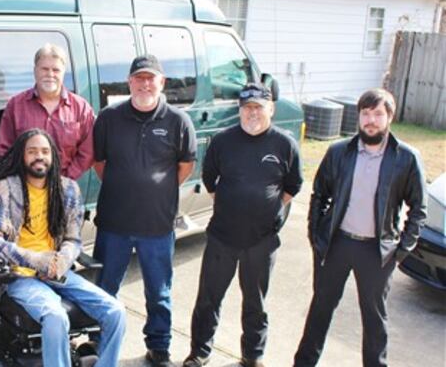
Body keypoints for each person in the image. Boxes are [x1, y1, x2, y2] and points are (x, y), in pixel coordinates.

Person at [294, 88, 427, 367]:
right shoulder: (339, 152)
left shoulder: (406, 158)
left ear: (390, 117)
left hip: (377, 252)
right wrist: (316, 238)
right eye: (365, 113)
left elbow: (418, 209)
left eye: (378, 114)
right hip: (337, 245)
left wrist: (400, 251)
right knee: (320, 310)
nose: (371, 120)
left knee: (374, 318)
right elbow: (319, 195)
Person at [0, 128, 126, 367]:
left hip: (59, 273)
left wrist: (64, 259)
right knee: (55, 316)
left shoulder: (67, 190)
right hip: (20, 276)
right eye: (32, 151)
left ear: (53, 157)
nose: (39, 156)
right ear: (22, 156)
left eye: (45, 151)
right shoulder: (6, 190)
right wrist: (34, 259)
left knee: (116, 312)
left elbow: (73, 239)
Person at [182, 83, 303, 367]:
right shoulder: (223, 141)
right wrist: (233, 205)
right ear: (239, 110)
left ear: (270, 109)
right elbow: (210, 180)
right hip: (222, 236)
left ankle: (253, 355)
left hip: (262, 240)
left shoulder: (285, 144)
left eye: (258, 107)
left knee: (255, 303)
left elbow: (293, 186)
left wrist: (268, 209)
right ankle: (200, 351)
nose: (252, 113)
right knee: (208, 298)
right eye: (247, 108)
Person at [92, 54, 197, 367]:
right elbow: (101, 165)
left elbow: (185, 166)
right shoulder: (109, 118)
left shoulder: (179, 122)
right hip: (114, 223)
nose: (145, 84)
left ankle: (159, 346)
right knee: (105, 289)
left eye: (151, 78)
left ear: (162, 82)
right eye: (139, 78)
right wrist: (130, 186)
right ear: (129, 82)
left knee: (159, 292)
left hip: (157, 225)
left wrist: (154, 191)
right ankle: (100, 341)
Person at [0, 43, 95, 180]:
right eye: (44, 69)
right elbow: (5, 150)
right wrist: (22, 182)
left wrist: (66, 179)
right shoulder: (16, 106)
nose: (50, 74)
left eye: (56, 70)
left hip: (64, 189)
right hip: (25, 190)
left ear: (63, 72)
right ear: (35, 70)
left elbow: (88, 151)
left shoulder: (81, 108)